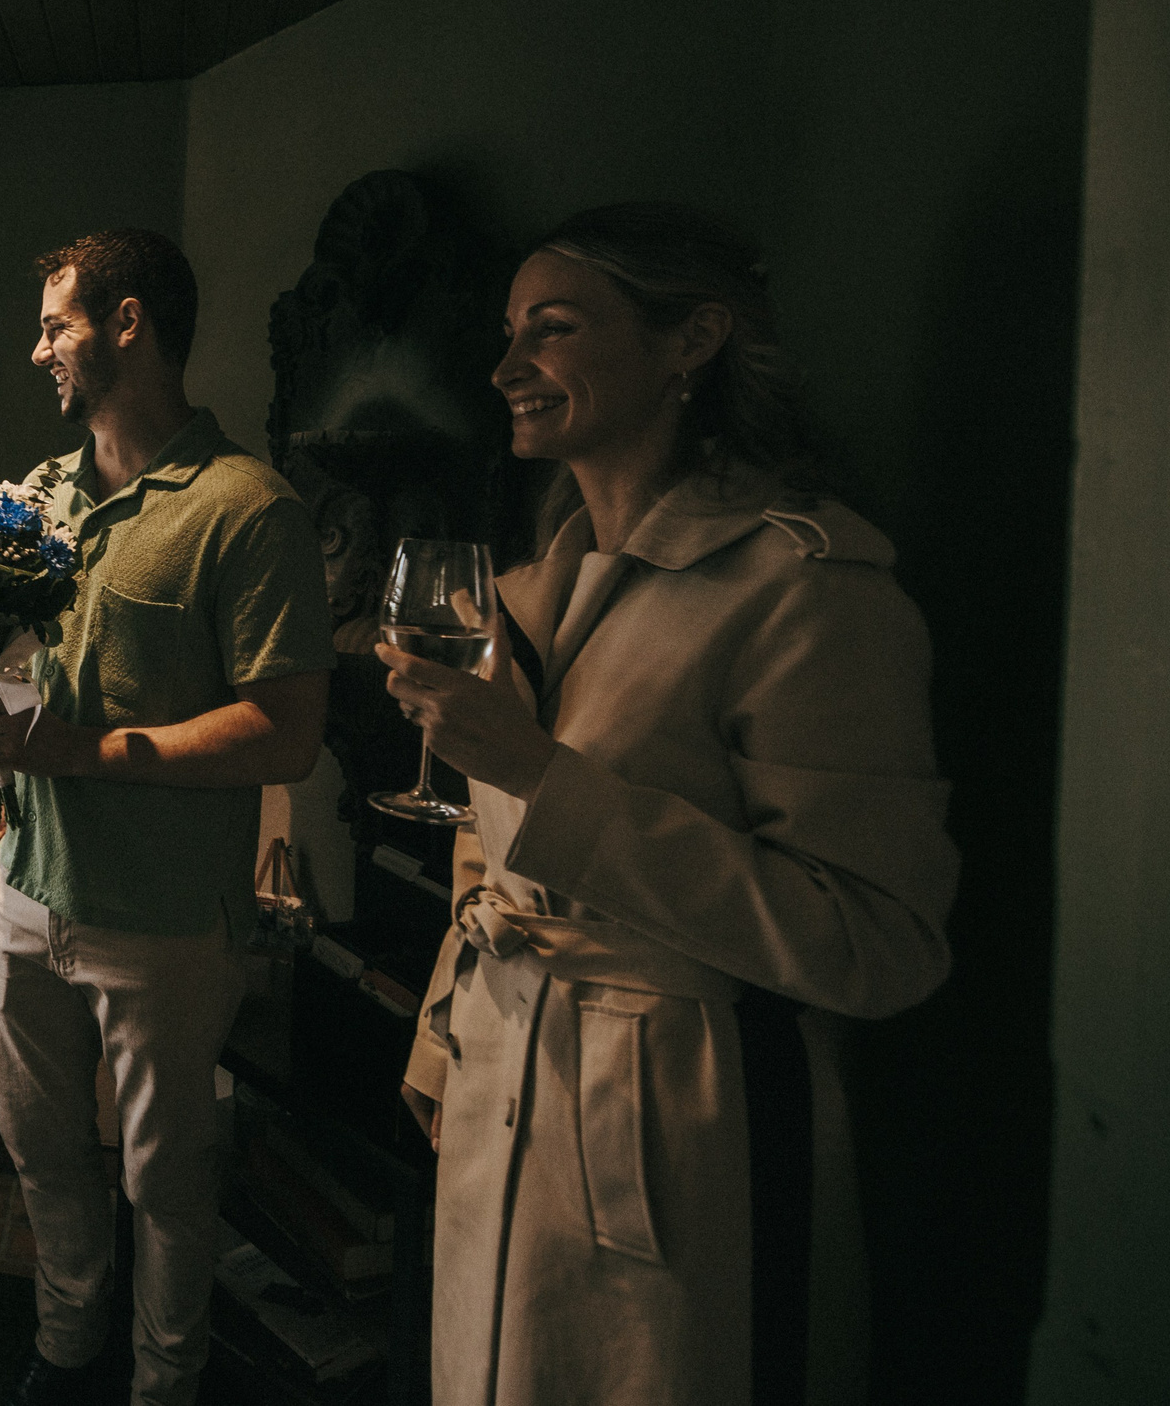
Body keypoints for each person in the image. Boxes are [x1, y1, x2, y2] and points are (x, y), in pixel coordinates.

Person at [379, 204, 957, 1406]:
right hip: (502, 1082)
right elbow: (485, 857)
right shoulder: (533, 585)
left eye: (553, 328)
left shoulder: (805, 589)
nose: (505, 368)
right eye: (506, 332)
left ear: (689, 340)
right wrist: (446, 1037)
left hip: (680, 1119)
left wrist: (543, 778)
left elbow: (875, 941)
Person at [0, 229, 335, 1406]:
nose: (38, 351)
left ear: (128, 323)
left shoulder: (247, 507)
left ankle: (161, 1384)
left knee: (165, 1180)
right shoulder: (41, 497)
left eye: (54, 325)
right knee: (42, 1157)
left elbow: (283, 732)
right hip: (23, 894)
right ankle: (67, 1344)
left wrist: (80, 748)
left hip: (168, 923)